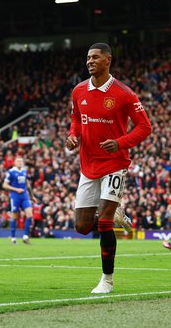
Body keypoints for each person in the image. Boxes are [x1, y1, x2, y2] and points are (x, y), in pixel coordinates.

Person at [65, 43, 152, 294]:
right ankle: (114, 215)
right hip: (87, 164)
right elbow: (76, 120)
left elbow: (145, 127)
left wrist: (120, 143)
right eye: (88, 57)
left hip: (114, 164)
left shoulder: (124, 94)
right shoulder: (78, 90)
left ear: (108, 60)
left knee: (102, 223)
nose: (90, 61)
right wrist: (73, 136)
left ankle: (107, 280)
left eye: (95, 57)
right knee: (81, 226)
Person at [2, 156, 32, 244]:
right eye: (18, 161)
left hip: (25, 196)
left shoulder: (24, 171)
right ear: (14, 162)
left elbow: (27, 184)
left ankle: (25, 237)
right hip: (15, 196)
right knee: (15, 216)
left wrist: (32, 196)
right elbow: (5, 185)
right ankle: (13, 238)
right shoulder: (11, 172)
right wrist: (16, 189)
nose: (20, 162)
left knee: (29, 214)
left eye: (21, 161)